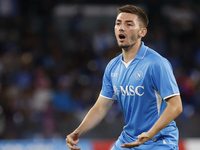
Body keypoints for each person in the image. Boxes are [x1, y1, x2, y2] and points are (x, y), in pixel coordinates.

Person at [66, 4, 183, 150]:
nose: (121, 28)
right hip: (128, 139)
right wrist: (78, 131)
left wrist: (149, 133)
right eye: (118, 23)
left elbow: (176, 106)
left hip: (158, 141)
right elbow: (101, 107)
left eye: (129, 24)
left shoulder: (156, 63)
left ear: (142, 32)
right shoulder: (112, 67)